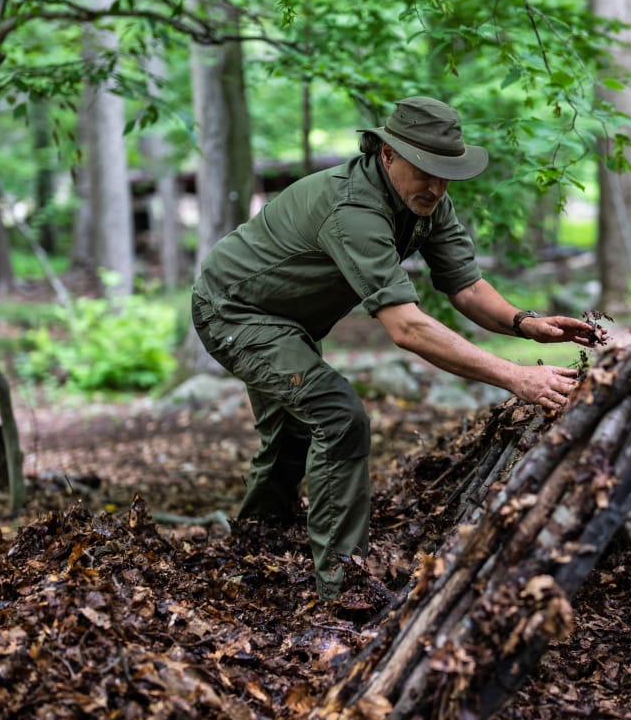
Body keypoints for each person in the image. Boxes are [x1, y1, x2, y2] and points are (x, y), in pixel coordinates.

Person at [190, 95, 598, 602]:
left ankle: (253, 551)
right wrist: (516, 377)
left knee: (293, 437)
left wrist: (524, 323)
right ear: (387, 154)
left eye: (447, 172)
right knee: (338, 416)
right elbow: (407, 328)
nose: (437, 184)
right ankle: (343, 589)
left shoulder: (426, 200)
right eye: (426, 169)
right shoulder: (354, 210)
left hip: (291, 322)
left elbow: (466, 288)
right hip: (235, 311)